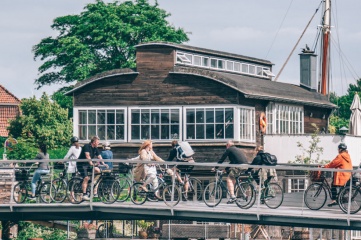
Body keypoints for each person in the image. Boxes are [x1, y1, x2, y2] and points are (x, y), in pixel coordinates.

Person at [78, 136, 108, 201]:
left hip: (88, 165)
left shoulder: (95, 148)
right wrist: (91, 164)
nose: (98, 143)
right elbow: (87, 156)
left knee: (98, 171)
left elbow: (99, 156)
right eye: (97, 142)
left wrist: (103, 163)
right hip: (81, 164)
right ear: (94, 142)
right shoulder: (87, 146)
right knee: (86, 178)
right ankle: (84, 194)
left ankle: (92, 183)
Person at [323, 143, 353, 207]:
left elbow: (333, 164)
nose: (338, 150)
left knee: (333, 185)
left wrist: (325, 167)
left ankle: (334, 200)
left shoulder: (340, 156)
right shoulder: (347, 156)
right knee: (340, 188)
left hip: (342, 176)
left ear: (340, 149)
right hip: (348, 176)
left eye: (338, 149)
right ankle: (340, 198)